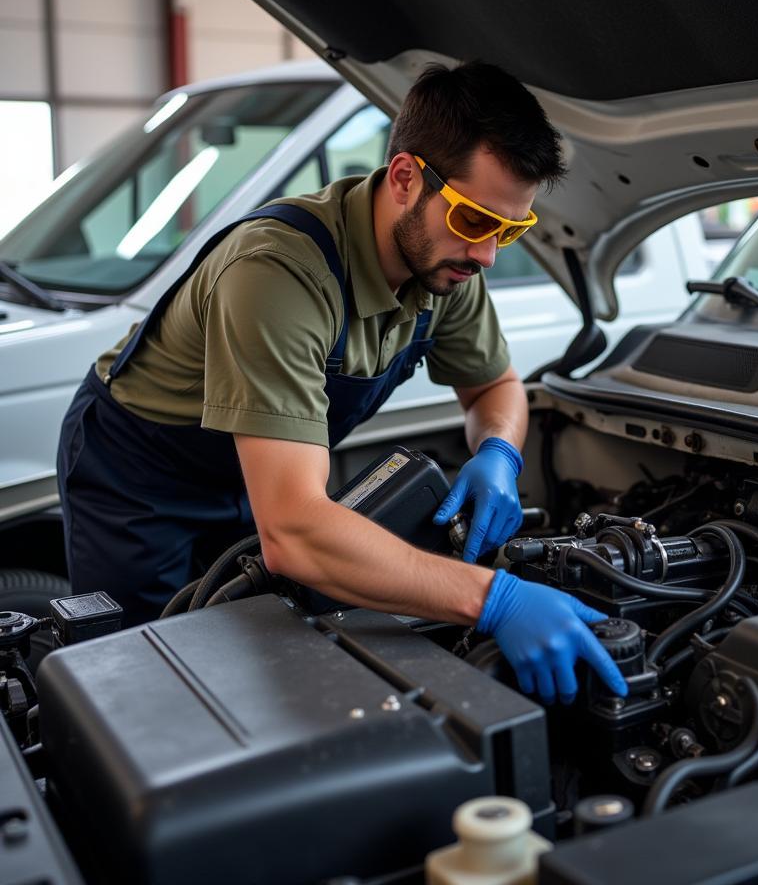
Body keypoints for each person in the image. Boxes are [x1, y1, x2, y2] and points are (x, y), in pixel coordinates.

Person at [56, 60, 627, 705]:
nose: (488, 254)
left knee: (254, 657)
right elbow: (296, 531)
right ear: (408, 178)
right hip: (142, 478)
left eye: (511, 230)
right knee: (150, 684)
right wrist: (493, 599)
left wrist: (499, 450)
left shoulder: (446, 268)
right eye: (474, 222)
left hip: (267, 472)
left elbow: (494, 387)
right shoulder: (277, 273)